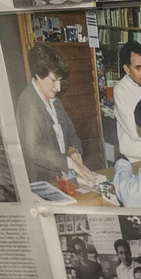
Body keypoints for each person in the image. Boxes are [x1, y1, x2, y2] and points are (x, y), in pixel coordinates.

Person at [15, 42, 96, 186]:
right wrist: (70, 163)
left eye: (60, 81)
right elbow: (34, 150)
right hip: (44, 182)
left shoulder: (55, 101)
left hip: (64, 179)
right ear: (39, 75)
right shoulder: (27, 101)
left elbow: (72, 134)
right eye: (54, 80)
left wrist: (72, 149)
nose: (58, 88)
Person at [112, 40, 141, 162]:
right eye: (138, 68)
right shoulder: (121, 90)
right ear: (127, 70)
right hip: (134, 158)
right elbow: (135, 131)